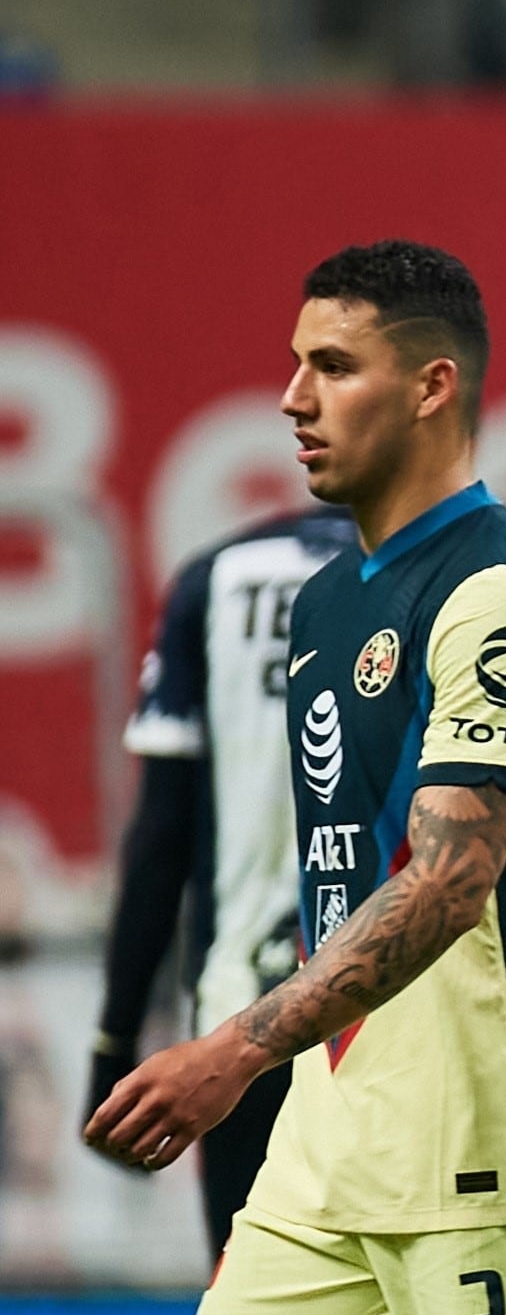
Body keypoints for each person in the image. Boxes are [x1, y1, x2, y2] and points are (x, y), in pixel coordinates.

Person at [83, 239, 506, 1315]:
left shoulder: (501, 592)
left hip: (482, 1132)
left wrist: (233, 1051)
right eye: (294, 364)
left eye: (332, 365)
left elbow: (451, 878)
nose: (291, 398)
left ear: (432, 387)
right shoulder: (326, 606)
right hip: (336, 1128)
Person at [89, 502, 356, 1256]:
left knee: (254, 1304)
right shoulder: (481, 567)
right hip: (403, 1021)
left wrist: (114, 1041)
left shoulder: (220, 575)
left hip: (241, 1018)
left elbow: (160, 836)